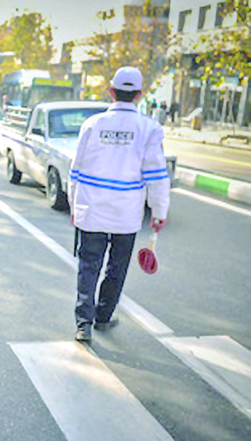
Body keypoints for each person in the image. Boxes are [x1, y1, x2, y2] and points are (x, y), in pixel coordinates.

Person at [68, 67, 170, 343]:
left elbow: (75, 170)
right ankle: (103, 316)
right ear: (139, 95)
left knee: (88, 266)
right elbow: (157, 176)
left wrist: (73, 205)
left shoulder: (92, 124)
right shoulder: (149, 129)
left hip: (91, 211)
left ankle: (83, 325)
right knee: (117, 267)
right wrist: (159, 212)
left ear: (111, 91)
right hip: (126, 215)